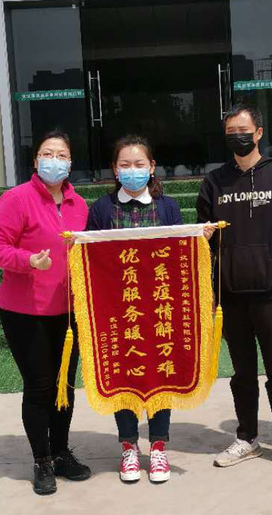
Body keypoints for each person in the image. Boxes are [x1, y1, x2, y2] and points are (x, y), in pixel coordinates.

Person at [197, 105, 272, 475]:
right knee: (242, 373)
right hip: (231, 295)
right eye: (231, 132)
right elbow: (202, 241)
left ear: (259, 132)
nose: (238, 137)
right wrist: (205, 239)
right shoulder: (215, 182)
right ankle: (246, 438)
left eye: (243, 130)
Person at [87, 135, 207, 484]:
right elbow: (91, 257)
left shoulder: (167, 207)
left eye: (139, 164)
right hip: (118, 308)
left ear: (152, 167)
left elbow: (179, 251)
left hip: (159, 307)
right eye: (125, 164)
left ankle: (157, 446)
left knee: (161, 372)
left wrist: (200, 238)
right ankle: (128, 446)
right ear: (115, 170)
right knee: (123, 375)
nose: (132, 170)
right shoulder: (102, 209)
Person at [0, 130, 91, 496]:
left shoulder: (79, 205)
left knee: (65, 385)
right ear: (35, 160)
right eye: (47, 153)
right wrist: (28, 260)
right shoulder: (17, 199)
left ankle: (61, 453)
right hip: (26, 312)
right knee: (40, 386)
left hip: (69, 312)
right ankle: (41, 460)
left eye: (61, 155)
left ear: (71, 163)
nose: (54, 160)